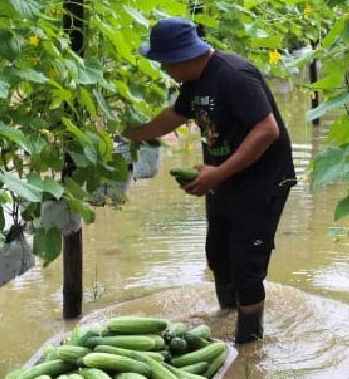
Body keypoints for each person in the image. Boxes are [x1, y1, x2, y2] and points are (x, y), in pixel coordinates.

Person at [125, 17, 295, 344]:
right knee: (219, 254)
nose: (164, 70)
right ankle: (224, 323)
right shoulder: (195, 82)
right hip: (224, 179)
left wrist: (217, 172)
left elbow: (267, 130)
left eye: (165, 63)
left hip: (260, 183)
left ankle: (248, 347)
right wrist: (133, 134)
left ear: (183, 57)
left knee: (247, 264)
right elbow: (175, 115)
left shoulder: (234, 76)